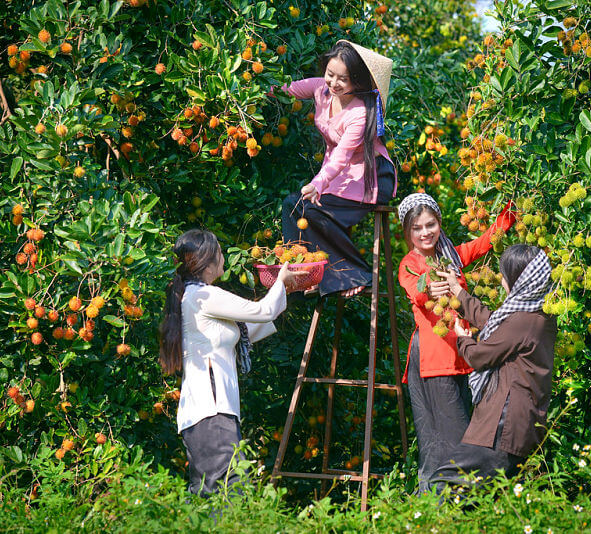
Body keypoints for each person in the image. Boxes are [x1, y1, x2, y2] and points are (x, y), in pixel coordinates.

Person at [158, 229, 303, 496]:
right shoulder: (204, 296)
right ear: (207, 262)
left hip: (209, 415)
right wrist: (281, 280)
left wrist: (292, 293)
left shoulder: (193, 296)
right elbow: (262, 310)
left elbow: (246, 330)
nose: (224, 257)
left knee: (211, 493)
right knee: (228, 492)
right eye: (220, 252)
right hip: (211, 413)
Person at [396, 193, 516, 494]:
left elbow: (486, 240)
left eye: (431, 224)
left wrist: (515, 207)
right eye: (417, 228)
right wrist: (432, 290)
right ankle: (445, 507)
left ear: (439, 223)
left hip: (461, 359)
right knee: (453, 441)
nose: (425, 233)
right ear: (408, 232)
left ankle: (441, 507)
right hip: (434, 362)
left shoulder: (450, 256)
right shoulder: (410, 264)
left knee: (452, 440)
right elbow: (417, 294)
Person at [429, 244, 556, 487]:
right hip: (519, 425)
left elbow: (480, 356)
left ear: (519, 280)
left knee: (444, 483)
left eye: (505, 276)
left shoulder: (523, 320)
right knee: (488, 496)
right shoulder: (538, 315)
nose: (502, 282)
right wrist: (458, 291)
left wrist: (463, 339)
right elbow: (496, 326)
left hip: (502, 427)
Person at [280, 40, 397, 298]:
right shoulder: (321, 89)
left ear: (357, 81)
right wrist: (250, 88)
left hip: (369, 177)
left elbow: (342, 156)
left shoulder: (360, 113)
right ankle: (303, 273)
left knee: (312, 209)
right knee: (292, 205)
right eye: (330, 74)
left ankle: (356, 273)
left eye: (342, 79)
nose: (333, 83)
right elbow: (287, 90)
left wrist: (318, 184)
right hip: (338, 176)